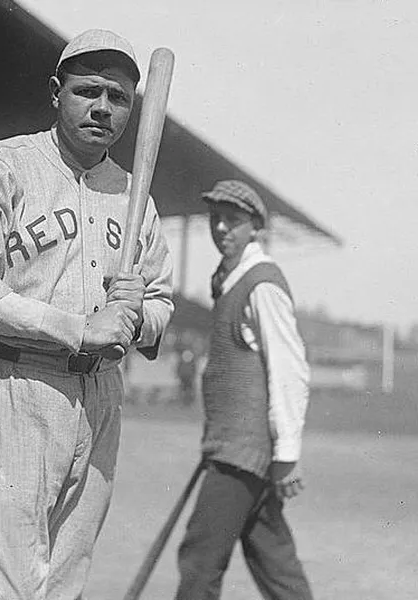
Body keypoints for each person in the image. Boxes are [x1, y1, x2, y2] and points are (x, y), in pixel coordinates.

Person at [0, 29, 174, 599]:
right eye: (88, 91)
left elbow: (162, 300)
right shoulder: (3, 167)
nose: (103, 108)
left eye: (118, 98)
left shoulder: (135, 193)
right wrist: (78, 327)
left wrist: (136, 318)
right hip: (8, 386)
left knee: (65, 584)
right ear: (55, 92)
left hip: (98, 399)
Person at [174, 180, 313, 599]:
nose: (220, 228)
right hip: (235, 449)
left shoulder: (262, 283)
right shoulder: (230, 279)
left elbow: (290, 370)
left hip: (241, 454)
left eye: (232, 220)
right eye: (215, 219)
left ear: (255, 227)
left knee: (200, 560)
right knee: (275, 563)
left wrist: (287, 455)